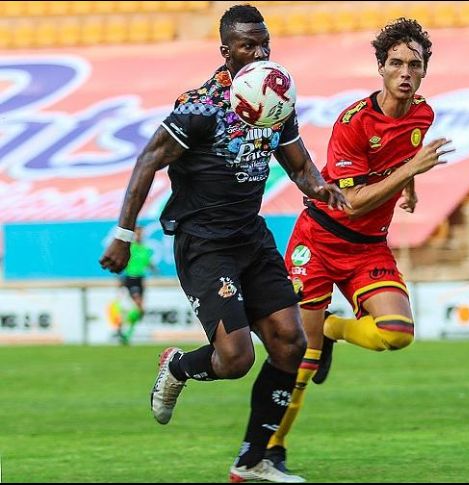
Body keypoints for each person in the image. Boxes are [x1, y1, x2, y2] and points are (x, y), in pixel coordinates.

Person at [98, 4, 349, 483]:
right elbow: (148, 161)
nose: (259, 53)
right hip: (204, 244)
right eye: (248, 45)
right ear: (225, 51)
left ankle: (254, 460)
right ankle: (178, 367)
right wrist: (124, 235)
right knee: (235, 359)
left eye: (265, 43)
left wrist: (321, 188)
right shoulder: (200, 107)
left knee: (290, 344)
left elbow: (298, 165)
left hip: (250, 237)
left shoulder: (276, 99)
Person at [264, 17, 453, 473]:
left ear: (425, 70)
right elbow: (347, 203)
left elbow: (402, 157)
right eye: (396, 63)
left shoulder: (422, 114)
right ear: (381, 68)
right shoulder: (352, 123)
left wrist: (407, 188)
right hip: (321, 240)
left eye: (415, 63)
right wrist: (409, 175)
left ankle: (333, 328)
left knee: (396, 333)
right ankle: (272, 448)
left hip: (369, 246)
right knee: (300, 363)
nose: (406, 72)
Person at [114, 226, 156, 345]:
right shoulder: (130, 248)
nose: (139, 236)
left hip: (140, 280)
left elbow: (148, 264)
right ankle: (122, 330)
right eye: (137, 233)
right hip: (130, 278)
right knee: (138, 305)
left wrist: (155, 271)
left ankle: (125, 333)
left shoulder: (145, 249)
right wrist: (118, 278)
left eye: (140, 233)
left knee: (139, 310)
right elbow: (121, 262)